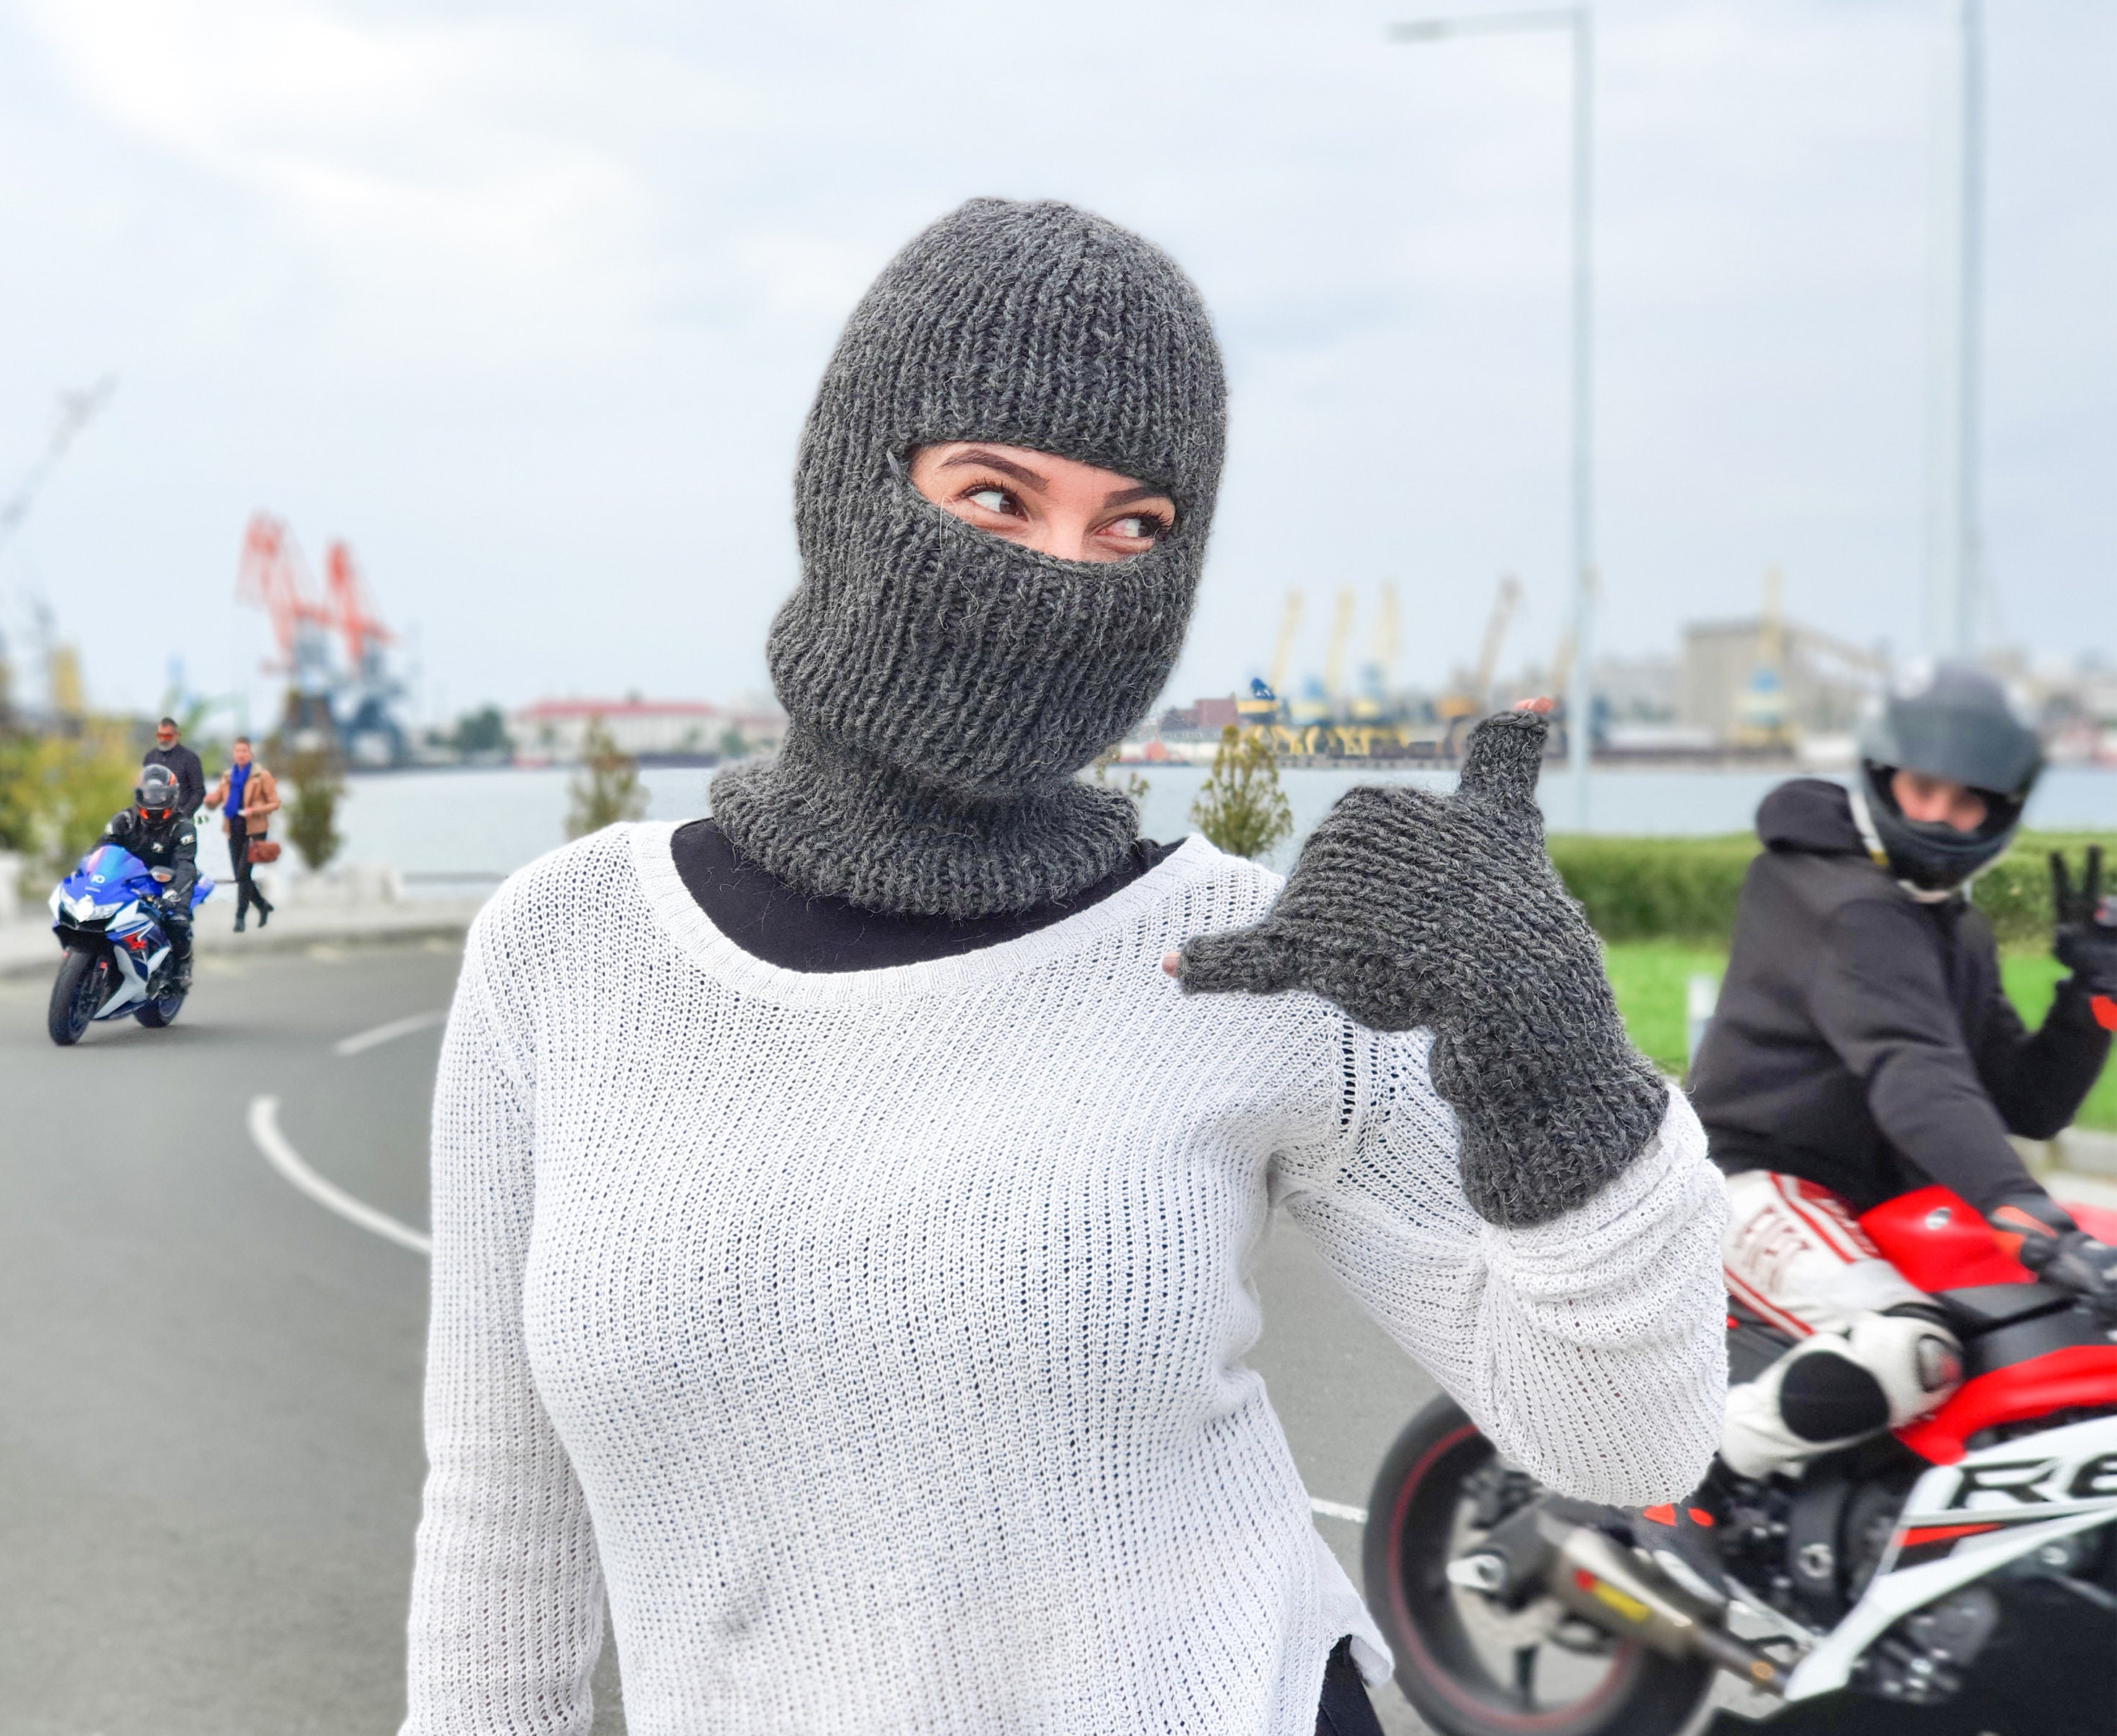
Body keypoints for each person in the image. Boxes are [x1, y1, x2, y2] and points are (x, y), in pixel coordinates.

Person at [401, 200, 1726, 1736]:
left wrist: (1552, 1051)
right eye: (993, 494)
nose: (1063, 577)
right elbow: (503, 1527)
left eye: (1135, 528)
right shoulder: (565, 947)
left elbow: (1627, 1442)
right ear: (851, 480)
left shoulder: (1253, 957)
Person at [1688, 663, 2117, 1484]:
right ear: (1885, 778)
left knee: (2052, 1328)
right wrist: (2029, 1214)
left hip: (1881, 1206)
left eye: (1969, 803)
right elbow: (1913, 1074)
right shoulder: (1842, 902)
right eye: (1926, 790)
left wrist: (2090, 1000)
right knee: (1910, 1350)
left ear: (2003, 812)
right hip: (1750, 1180)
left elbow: (2025, 1103)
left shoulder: (1949, 925)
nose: (1943, 818)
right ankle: (1680, 1473)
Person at [96, 764, 200, 987]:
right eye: (149, 793)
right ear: (139, 794)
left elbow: (186, 865)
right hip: (131, 879)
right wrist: (90, 874)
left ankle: (182, 963)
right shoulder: (124, 820)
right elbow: (100, 851)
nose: (154, 799)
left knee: (177, 920)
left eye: (161, 794)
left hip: (168, 883)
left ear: (172, 796)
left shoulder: (183, 828)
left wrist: (173, 892)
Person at [205, 736, 279, 931]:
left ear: (250, 754)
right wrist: (208, 799)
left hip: (255, 830)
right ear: (233, 754)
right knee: (241, 876)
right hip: (234, 829)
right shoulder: (228, 777)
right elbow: (217, 799)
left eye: (244, 751)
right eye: (237, 751)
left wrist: (255, 810)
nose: (241, 754)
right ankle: (263, 906)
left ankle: (240, 917)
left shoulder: (261, 776)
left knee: (243, 872)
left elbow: (274, 803)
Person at [143, 715, 206, 820]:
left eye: (167, 736)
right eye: (160, 735)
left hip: (179, 817)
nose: (163, 739)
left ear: (176, 735)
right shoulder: (150, 757)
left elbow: (199, 792)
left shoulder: (190, 759)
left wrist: (184, 815)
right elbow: (144, 787)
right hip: (152, 819)